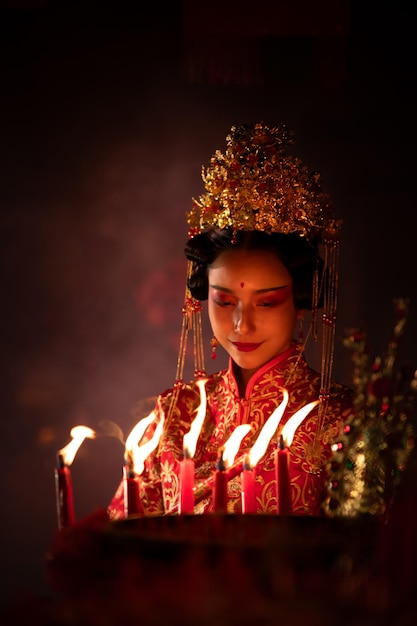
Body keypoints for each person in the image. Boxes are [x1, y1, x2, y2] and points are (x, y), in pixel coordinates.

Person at [108, 121, 354, 518]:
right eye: (224, 302)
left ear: (303, 300)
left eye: (267, 303)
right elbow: (121, 546)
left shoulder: (345, 424)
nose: (241, 324)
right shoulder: (174, 416)